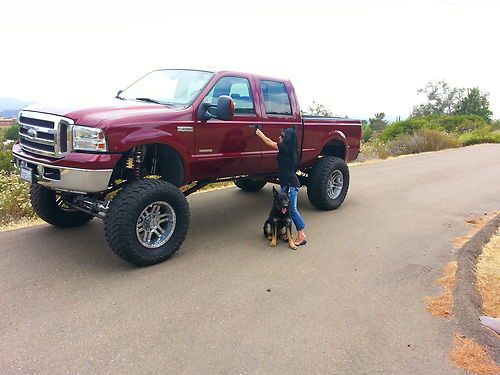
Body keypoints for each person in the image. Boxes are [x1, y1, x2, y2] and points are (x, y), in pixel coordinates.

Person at [255, 127, 307, 246]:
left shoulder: (285, 147)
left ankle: (302, 234)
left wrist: (259, 133)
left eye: (282, 136)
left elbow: (269, 142)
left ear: (288, 139)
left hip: (291, 185)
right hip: (286, 184)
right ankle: (287, 234)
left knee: (292, 210)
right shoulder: (292, 149)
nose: (280, 137)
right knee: (285, 209)